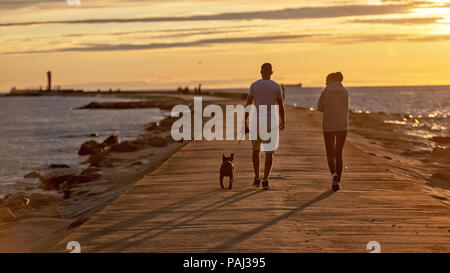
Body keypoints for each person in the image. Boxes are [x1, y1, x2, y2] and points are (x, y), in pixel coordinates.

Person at [245, 63, 286, 190]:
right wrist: (283, 120)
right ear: (271, 72)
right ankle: (266, 180)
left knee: (255, 150)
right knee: (269, 152)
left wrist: (244, 122)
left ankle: (257, 178)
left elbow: (248, 104)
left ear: (261, 72)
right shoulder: (276, 86)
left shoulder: (254, 85)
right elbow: (280, 106)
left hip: (256, 121)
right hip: (270, 122)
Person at [317, 72, 349, 192]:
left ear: (330, 81)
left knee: (330, 154)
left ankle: (333, 175)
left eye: (326, 82)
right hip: (342, 126)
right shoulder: (345, 91)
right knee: (338, 153)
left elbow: (319, 107)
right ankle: (339, 180)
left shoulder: (326, 92)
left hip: (329, 126)